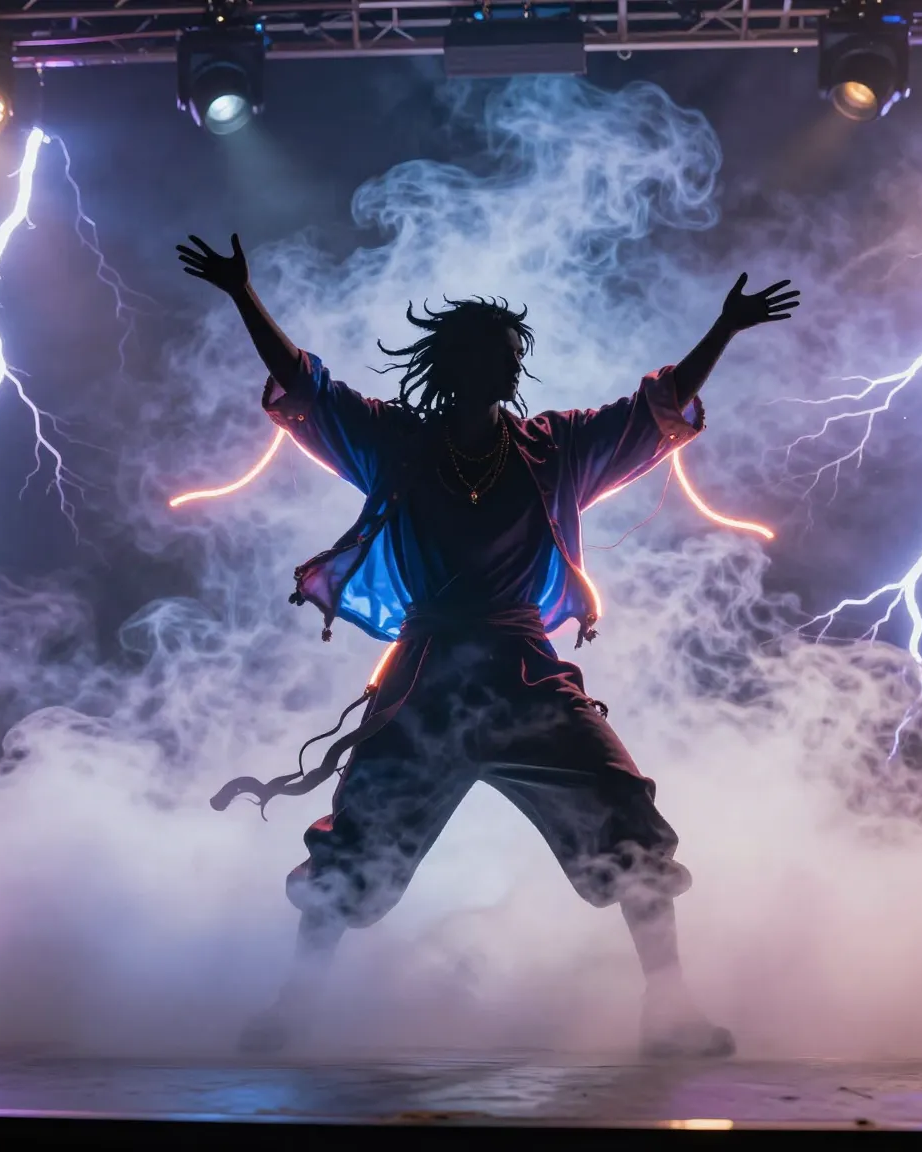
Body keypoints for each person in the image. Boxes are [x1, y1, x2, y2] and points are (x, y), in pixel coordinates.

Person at [179, 233, 797, 1058]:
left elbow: (653, 410)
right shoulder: (397, 444)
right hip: (425, 678)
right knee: (352, 846)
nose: (511, 370)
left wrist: (724, 329)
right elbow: (308, 389)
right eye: (499, 356)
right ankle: (292, 1011)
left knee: (627, 819)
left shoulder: (553, 448)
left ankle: (671, 1011)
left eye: (515, 358)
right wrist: (241, 294)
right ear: (458, 363)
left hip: (525, 675)